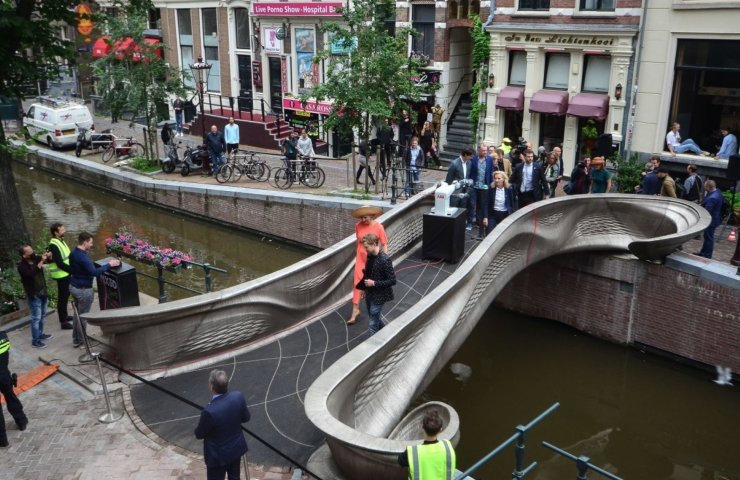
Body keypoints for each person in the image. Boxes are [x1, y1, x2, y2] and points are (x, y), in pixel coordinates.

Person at [194, 369, 250, 480]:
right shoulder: (238, 397)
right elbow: (246, 418)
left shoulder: (209, 411)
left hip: (218, 457)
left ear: (211, 386)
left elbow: (199, 434)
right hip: (235, 449)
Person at [69, 232, 121, 348]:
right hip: (83, 290)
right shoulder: (83, 258)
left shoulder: (73, 253)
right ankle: (83, 341)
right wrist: (109, 264)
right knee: (83, 316)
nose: (92, 245)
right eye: (91, 242)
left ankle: (76, 339)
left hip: (73, 286)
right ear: (85, 242)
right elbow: (94, 273)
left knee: (77, 314)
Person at [348, 206, 387, 325]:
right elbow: (358, 241)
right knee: (356, 283)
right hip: (360, 258)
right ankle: (355, 310)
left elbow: (384, 244)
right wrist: (357, 255)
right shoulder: (358, 226)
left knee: (371, 283)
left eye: (365, 217)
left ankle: (374, 311)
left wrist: (384, 261)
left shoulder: (379, 227)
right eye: (361, 217)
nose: (363, 220)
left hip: (373, 259)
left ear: (371, 215)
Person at [398, 409, 456, 479]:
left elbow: (400, 461)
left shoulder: (413, 452)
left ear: (422, 427)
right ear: (440, 429)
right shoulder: (448, 447)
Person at [358, 233, 396, 335]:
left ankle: (374, 348)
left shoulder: (385, 259)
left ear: (374, 244)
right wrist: (363, 288)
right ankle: (387, 333)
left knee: (372, 323)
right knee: (373, 316)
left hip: (380, 295)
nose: (365, 249)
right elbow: (367, 273)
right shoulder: (369, 256)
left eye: (366, 247)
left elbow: (392, 280)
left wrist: (374, 283)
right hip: (370, 292)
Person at [17, 245, 53, 349]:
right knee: (36, 318)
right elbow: (30, 274)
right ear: (24, 255)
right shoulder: (21, 266)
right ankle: (35, 341)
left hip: (43, 292)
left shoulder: (35, 258)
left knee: (42, 315)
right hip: (34, 295)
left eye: (32, 249)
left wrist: (49, 256)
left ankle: (40, 334)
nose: (32, 252)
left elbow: (48, 261)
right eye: (29, 251)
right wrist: (41, 261)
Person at [0, 331, 29, 447]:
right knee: (10, 397)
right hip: (4, 374)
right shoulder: (3, 336)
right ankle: (21, 421)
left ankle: (2, 440)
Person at [47, 222, 74, 330]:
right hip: (62, 274)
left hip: (65, 273)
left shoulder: (59, 241)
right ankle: (63, 322)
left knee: (65, 295)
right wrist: (72, 270)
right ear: (56, 232)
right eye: (62, 230)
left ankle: (65, 316)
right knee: (62, 298)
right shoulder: (54, 245)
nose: (64, 231)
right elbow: (59, 263)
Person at [468, 143, 493, 232]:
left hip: (484, 186)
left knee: (481, 205)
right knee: (472, 204)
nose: (485, 152)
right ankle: (470, 222)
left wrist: (490, 184)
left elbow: (491, 172)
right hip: (474, 185)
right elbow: (470, 171)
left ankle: (479, 222)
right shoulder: (473, 159)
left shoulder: (489, 159)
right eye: (483, 150)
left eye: (486, 150)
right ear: (479, 150)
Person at [695, 180, 723, 259]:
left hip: (711, 221)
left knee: (708, 238)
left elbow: (706, 211)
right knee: (707, 237)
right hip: (714, 218)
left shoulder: (712, 198)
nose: (704, 188)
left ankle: (707, 255)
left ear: (708, 187)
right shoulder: (717, 192)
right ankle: (703, 253)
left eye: (705, 186)